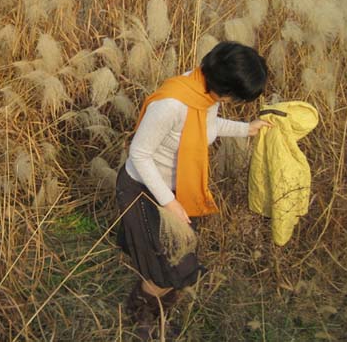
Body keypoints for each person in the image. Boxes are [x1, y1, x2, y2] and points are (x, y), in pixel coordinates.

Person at [115, 41, 270, 339]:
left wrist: (246, 128)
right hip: (143, 189)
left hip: (176, 189)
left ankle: (158, 311)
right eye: (235, 97)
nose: (233, 103)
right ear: (223, 86)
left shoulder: (204, 95)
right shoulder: (173, 103)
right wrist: (170, 203)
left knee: (178, 258)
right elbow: (140, 154)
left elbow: (206, 128)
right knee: (167, 266)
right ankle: (140, 313)